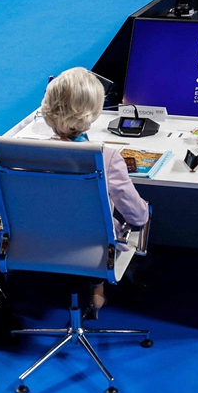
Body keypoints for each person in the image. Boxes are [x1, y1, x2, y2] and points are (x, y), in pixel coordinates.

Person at [40, 67, 149, 315]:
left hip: (38, 245)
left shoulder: (26, 155)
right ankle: (98, 292)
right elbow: (137, 217)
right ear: (92, 112)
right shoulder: (106, 158)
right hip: (95, 250)